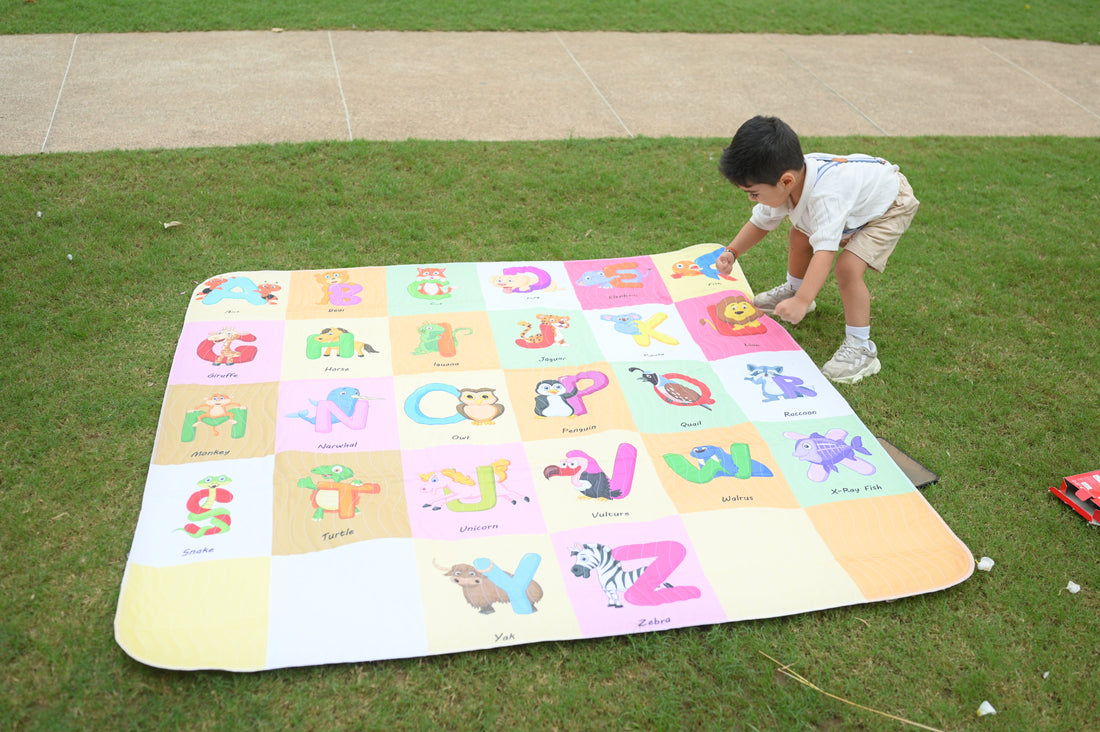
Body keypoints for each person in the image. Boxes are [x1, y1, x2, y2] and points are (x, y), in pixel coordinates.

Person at [714, 115, 919, 384]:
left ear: (786, 182)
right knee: (800, 234)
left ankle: (861, 348)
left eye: (753, 193)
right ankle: (796, 288)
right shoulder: (787, 180)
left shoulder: (826, 196)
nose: (753, 199)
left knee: (848, 268)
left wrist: (801, 303)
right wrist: (732, 251)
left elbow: (825, 252)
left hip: (889, 207)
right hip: (858, 200)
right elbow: (760, 222)